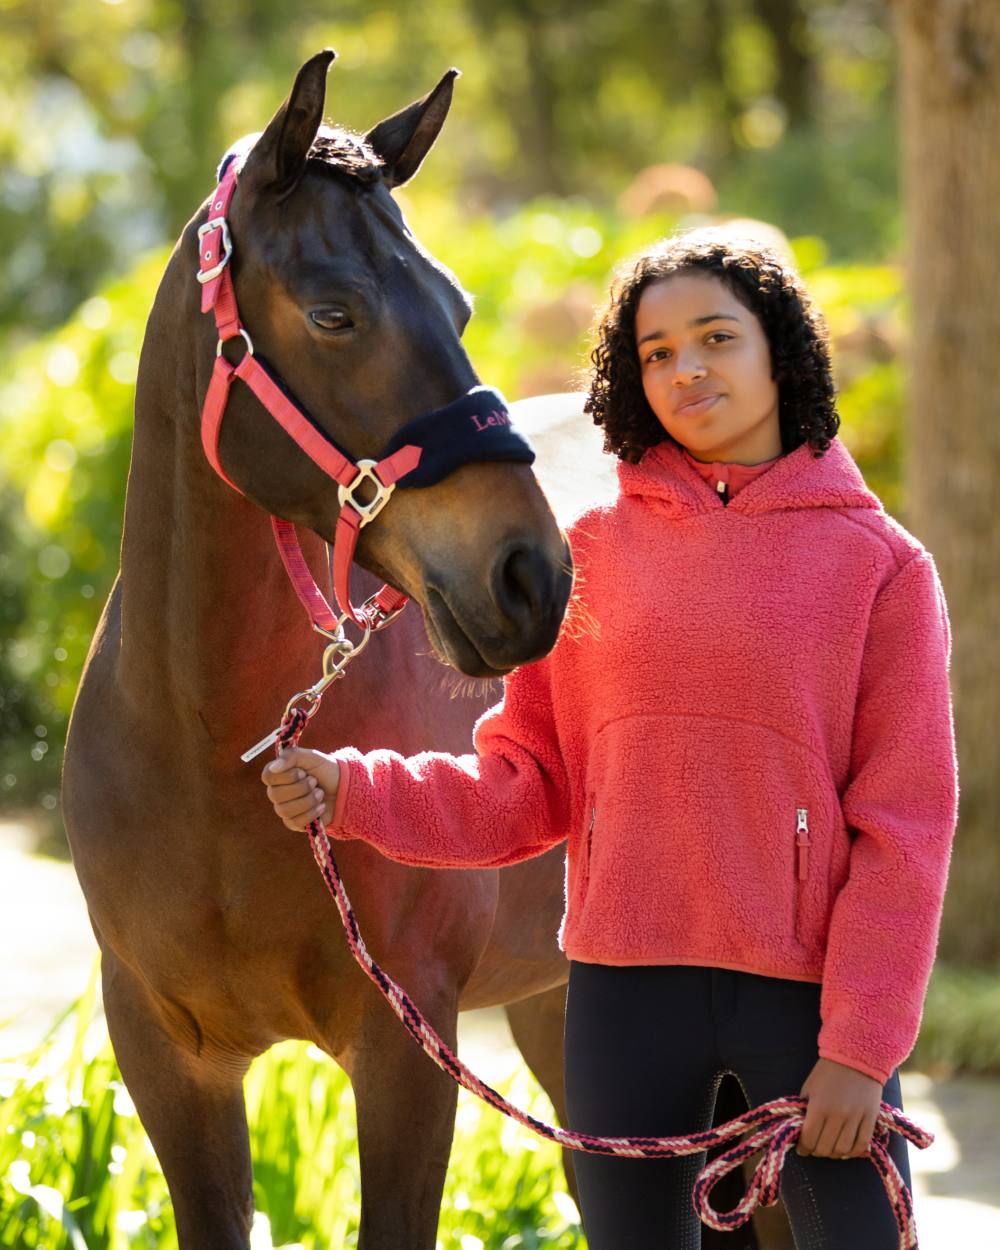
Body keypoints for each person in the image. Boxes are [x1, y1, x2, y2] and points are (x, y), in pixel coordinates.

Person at [261, 229, 959, 1249]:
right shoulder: (588, 553)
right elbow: (523, 787)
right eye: (657, 352)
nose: (687, 369)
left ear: (780, 347)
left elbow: (904, 829)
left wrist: (859, 1048)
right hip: (625, 1002)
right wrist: (352, 787)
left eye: (716, 337)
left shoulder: (881, 566)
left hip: (807, 1006)